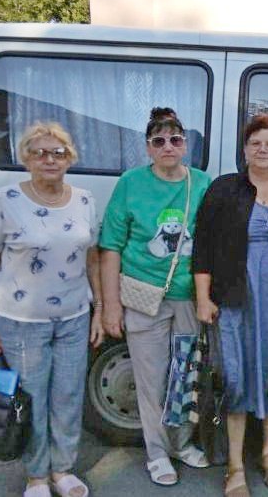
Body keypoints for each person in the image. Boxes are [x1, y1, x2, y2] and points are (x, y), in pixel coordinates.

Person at [0, 122, 104, 497]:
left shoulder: (84, 199)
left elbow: (92, 260)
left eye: (58, 152)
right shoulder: (7, 199)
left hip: (74, 318)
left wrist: (98, 309)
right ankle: (36, 476)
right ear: (26, 159)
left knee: (68, 396)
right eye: (40, 152)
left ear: (70, 158)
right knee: (31, 400)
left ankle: (62, 470)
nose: (50, 159)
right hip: (21, 322)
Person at [192, 113, 268, 497]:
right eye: (255, 143)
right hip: (236, 302)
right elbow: (203, 246)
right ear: (244, 150)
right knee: (236, 379)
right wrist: (203, 297)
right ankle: (235, 465)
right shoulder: (224, 190)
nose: (263, 149)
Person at [99, 107, 211, 486]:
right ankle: (157, 453)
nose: (167, 146)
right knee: (152, 379)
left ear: (185, 145)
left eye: (175, 140)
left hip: (188, 297)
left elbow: (212, 242)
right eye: (158, 141)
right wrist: (110, 305)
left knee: (185, 374)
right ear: (148, 147)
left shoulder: (202, 182)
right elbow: (110, 246)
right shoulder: (131, 183)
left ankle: (181, 444)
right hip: (143, 296)